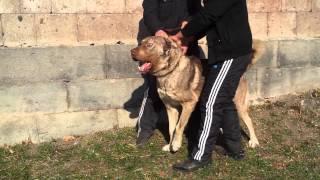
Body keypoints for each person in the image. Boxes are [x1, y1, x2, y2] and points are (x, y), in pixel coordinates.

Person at [170, 0, 253, 172]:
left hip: (231, 53)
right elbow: (212, 21)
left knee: (210, 103)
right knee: (225, 101)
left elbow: (209, 15)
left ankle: (201, 156)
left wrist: (182, 34)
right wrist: (189, 37)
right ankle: (234, 148)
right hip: (225, 52)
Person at [136, 0, 202, 148]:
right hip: (155, 37)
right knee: (154, 87)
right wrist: (159, 31)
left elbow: (198, 13)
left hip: (184, 37)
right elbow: (149, 11)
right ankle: (145, 129)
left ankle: (196, 132)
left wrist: (187, 37)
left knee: (196, 89)